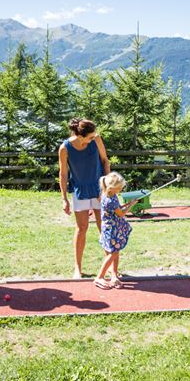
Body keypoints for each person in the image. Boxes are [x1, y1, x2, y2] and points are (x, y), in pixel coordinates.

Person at [58, 118, 110, 278]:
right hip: (79, 190)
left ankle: (109, 266)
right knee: (82, 229)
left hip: (99, 188)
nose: (92, 138)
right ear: (80, 136)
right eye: (89, 137)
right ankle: (77, 268)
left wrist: (106, 189)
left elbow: (105, 161)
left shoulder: (97, 139)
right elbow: (63, 173)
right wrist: (64, 198)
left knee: (104, 227)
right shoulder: (64, 148)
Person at [94, 172, 137, 289]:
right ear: (112, 188)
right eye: (120, 187)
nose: (121, 189)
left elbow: (116, 208)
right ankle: (99, 277)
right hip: (112, 229)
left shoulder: (108, 195)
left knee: (115, 251)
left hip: (111, 228)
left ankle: (114, 275)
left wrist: (124, 205)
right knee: (113, 252)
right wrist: (131, 205)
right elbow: (121, 213)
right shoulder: (110, 200)